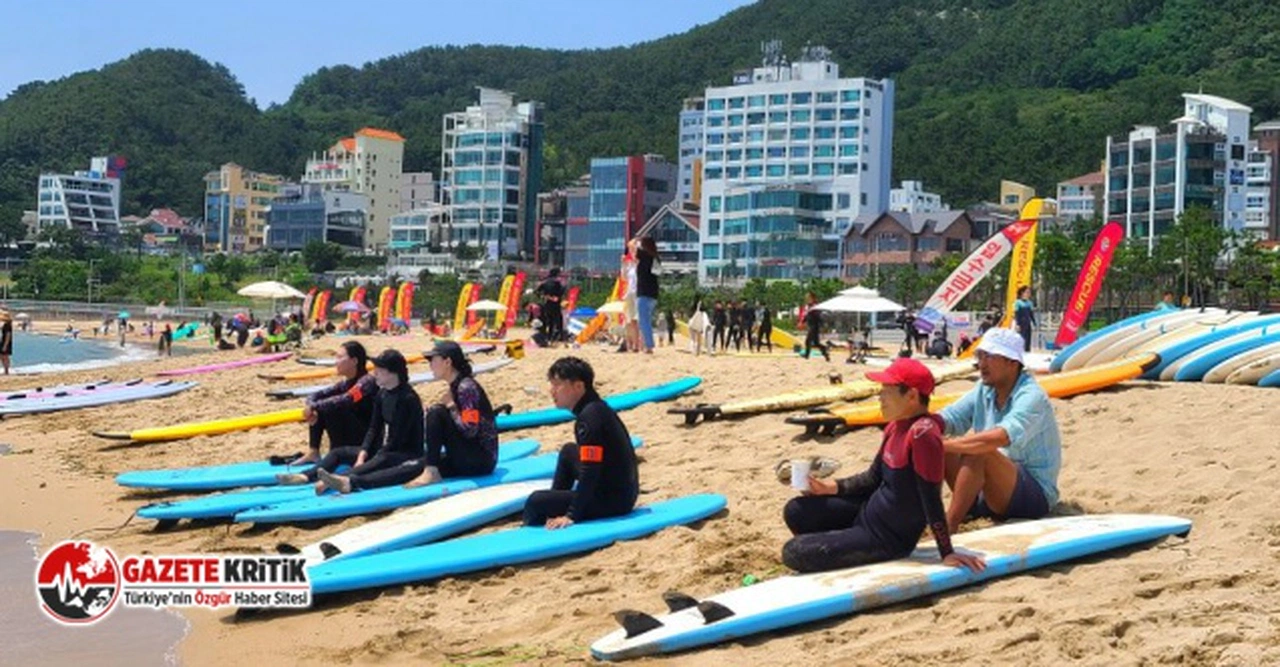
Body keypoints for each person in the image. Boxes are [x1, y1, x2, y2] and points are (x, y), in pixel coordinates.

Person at [781, 358, 986, 574]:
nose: (880, 397)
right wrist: (829, 487)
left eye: (886, 391)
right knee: (796, 511)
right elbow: (872, 478)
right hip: (866, 514)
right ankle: (842, 541)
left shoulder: (923, 434)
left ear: (912, 396)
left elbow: (931, 498)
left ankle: (844, 544)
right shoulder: (895, 427)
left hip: (887, 538)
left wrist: (946, 551)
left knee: (793, 551)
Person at [938, 327, 1061, 534]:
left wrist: (944, 445)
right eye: (980, 356)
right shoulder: (984, 388)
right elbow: (952, 417)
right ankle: (961, 509)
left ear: (1012, 362)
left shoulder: (1032, 396)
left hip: (1033, 496)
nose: (982, 363)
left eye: (989, 356)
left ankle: (948, 527)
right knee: (936, 438)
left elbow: (1002, 436)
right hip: (989, 492)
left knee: (980, 449)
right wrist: (924, 425)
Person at [523, 357, 638, 529]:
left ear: (578, 386)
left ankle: (544, 518)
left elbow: (590, 470)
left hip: (614, 501)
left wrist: (571, 515)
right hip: (620, 492)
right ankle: (554, 509)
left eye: (557, 385)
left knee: (535, 502)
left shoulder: (590, 418)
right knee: (568, 452)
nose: (552, 391)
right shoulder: (595, 408)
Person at [315, 350, 426, 494]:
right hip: (386, 450)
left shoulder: (408, 399)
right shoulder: (382, 394)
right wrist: (363, 453)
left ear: (392, 372)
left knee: (383, 458)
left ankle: (336, 480)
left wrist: (374, 458)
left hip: (407, 454)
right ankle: (306, 476)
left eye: (379, 369)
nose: (375, 373)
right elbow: (374, 428)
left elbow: (398, 440)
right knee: (339, 452)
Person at [276, 341, 380, 485]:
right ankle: (313, 451)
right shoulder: (345, 383)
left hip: (366, 442)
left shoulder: (367, 382)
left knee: (331, 406)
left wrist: (315, 407)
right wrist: (312, 406)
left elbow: (347, 399)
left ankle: (308, 474)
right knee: (324, 405)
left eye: (340, 357)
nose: (335, 362)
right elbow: (316, 395)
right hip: (349, 437)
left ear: (354, 361)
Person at [405, 341, 500, 486]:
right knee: (414, 467)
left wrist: (451, 407)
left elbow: (471, 429)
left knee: (436, 412)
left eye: (433, 360)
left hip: (480, 461)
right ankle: (363, 480)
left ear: (447, 362)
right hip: (467, 454)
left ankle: (432, 471)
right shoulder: (455, 386)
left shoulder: (466, 387)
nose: (430, 365)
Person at [634, 236, 660, 354]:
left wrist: (636, 241)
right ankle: (646, 344)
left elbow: (633, 248)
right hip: (653, 293)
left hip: (643, 292)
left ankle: (648, 345)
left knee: (644, 321)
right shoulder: (655, 257)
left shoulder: (644, 255)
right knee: (646, 320)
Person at [535, 268, 566, 343]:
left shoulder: (545, 282)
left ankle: (549, 337)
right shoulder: (558, 283)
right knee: (559, 321)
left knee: (550, 321)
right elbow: (562, 291)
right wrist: (557, 297)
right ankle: (560, 337)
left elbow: (537, 292)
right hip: (556, 304)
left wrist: (546, 297)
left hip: (548, 303)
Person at [802, 293, 831, 362]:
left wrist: (822, 325)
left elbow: (818, 316)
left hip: (814, 326)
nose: (807, 299)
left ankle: (807, 355)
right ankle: (825, 352)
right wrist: (803, 321)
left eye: (808, 298)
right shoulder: (809, 306)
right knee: (816, 343)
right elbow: (807, 315)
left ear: (812, 298)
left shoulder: (815, 307)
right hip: (812, 325)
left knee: (808, 341)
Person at [1013, 286, 1037, 353]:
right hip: (1021, 323)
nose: (1028, 294)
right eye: (1027, 292)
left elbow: (1031, 314)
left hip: (1027, 323)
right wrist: (1017, 324)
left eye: (1029, 292)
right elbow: (1017, 314)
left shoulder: (1030, 303)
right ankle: (1019, 351)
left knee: (1028, 338)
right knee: (1021, 338)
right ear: (1022, 293)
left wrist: (1034, 323)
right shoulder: (1017, 302)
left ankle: (1027, 351)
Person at [0, 310, 12, 375]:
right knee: (3, 356)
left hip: (5, 342)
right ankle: (6, 370)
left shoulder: (7, 325)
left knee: (4, 356)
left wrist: (5, 345)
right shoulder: (6, 324)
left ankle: (6, 370)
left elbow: (8, 335)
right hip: (4, 341)